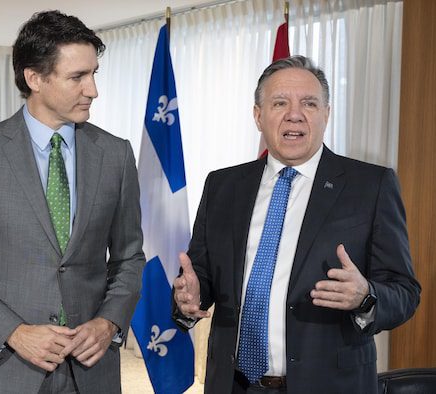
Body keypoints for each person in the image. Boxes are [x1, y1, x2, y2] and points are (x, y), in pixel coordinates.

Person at [172, 55, 420, 393]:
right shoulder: (223, 186)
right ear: (258, 116)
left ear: (326, 114)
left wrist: (366, 297)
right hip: (233, 385)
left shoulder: (371, 186)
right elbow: (200, 276)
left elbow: (404, 292)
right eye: (279, 102)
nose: (295, 113)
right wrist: (191, 296)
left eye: (309, 103)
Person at [0, 11, 145, 393]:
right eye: (78, 77)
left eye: (94, 74)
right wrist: (12, 331)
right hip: (5, 367)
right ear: (35, 79)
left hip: (91, 372)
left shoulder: (116, 155)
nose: (93, 89)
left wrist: (109, 321)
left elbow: (129, 257)